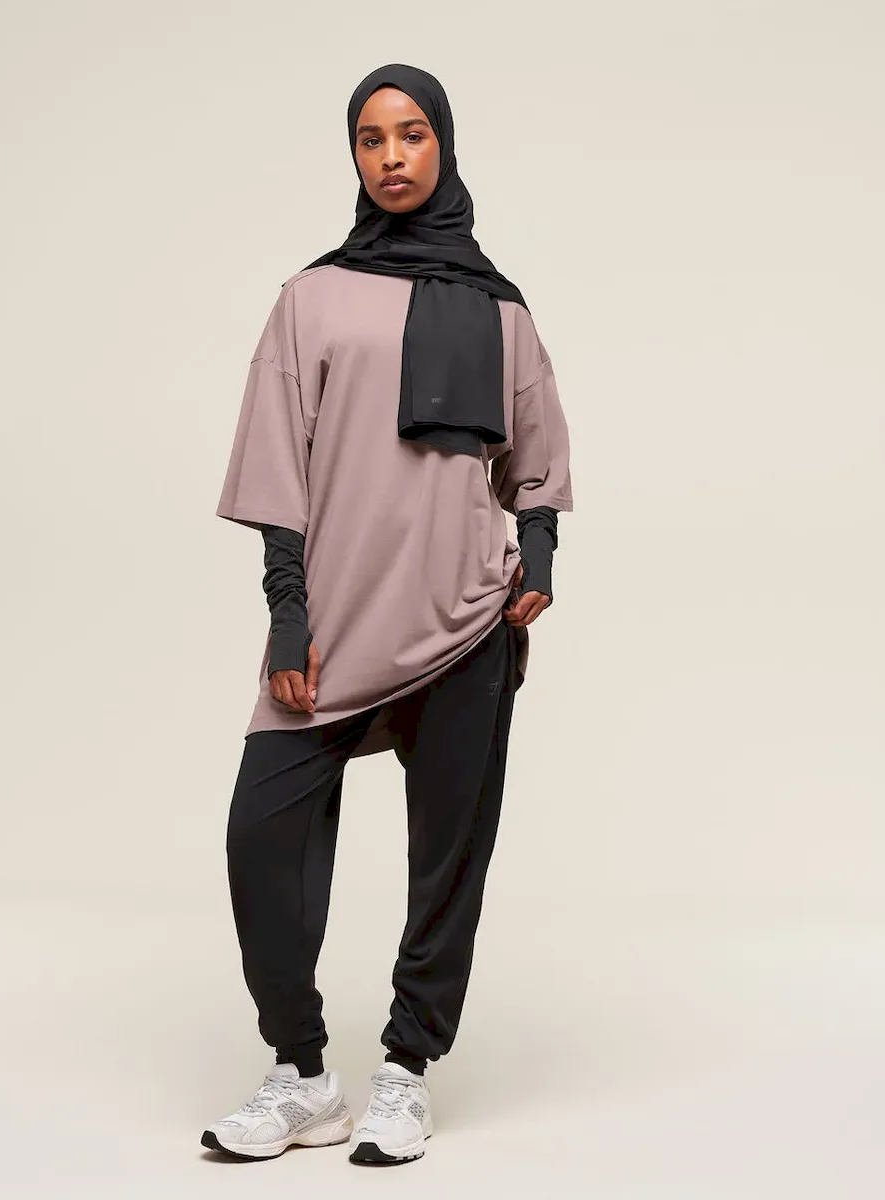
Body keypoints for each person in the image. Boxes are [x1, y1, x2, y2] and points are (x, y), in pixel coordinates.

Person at [201, 63, 573, 1166]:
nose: (393, 155)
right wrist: (287, 614)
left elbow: (535, 454)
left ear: (443, 145)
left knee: (447, 856)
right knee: (262, 834)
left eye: (412, 134)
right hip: (336, 621)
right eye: (371, 138)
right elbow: (277, 459)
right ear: (354, 155)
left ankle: (406, 1069)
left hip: (465, 618)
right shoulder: (311, 296)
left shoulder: (501, 308)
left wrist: (540, 553)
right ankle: (302, 1076)